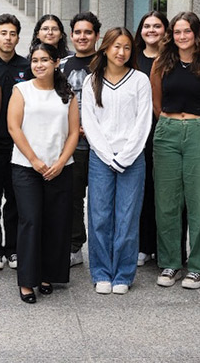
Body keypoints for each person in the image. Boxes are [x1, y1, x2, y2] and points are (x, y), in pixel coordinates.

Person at [150, 12, 200, 289]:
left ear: (197, 34)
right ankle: (170, 263)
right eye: (177, 32)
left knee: (199, 202)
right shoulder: (161, 63)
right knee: (166, 203)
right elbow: (156, 104)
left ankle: (199, 267)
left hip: (199, 132)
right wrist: (169, 125)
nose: (182, 37)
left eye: (187, 31)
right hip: (167, 132)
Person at [81, 27, 152, 294]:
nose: (121, 52)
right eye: (116, 46)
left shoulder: (140, 80)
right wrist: (108, 155)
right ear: (105, 48)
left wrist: (125, 156)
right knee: (99, 216)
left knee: (127, 217)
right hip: (101, 158)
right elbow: (90, 122)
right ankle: (101, 272)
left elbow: (143, 122)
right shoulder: (91, 81)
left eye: (126, 47)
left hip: (132, 158)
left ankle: (123, 274)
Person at [7, 42, 79, 303]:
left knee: (55, 222)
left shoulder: (67, 93)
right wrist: (35, 160)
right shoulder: (22, 90)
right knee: (31, 220)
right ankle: (27, 281)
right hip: (27, 167)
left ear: (56, 62)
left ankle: (48, 275)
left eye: (45, 60)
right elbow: (14, 127)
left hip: (60, 167)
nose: (39, 65)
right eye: (35, 60)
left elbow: (74, 132)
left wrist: (61, 161)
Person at [0, 14, 27, 270]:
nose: (8, 38)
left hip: (19, 144)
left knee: (15, 199)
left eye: (12, 34)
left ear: (18, 38)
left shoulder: (28, 67)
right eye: (3, 33)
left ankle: (13, 249)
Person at [59, 11, 101, 267]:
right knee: (73, 197)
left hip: (101, 144)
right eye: (77, 32)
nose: (82, 37)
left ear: (97, 35)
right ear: (71, 35)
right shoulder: (62, 65)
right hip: (72, 143)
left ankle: (102, 248)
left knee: (100, 200)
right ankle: (74, 246)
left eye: (88, 32)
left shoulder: (107, 62)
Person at [132, 10, 168, 267]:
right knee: (143, 190)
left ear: (165, 30)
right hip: (138, 135)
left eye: (157, 26)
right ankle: (144, 245)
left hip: (165, 132)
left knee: (165, 192)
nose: (151, 30)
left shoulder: (172, 58)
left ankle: (163, 246)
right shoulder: (132, 58)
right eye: (147, 26)